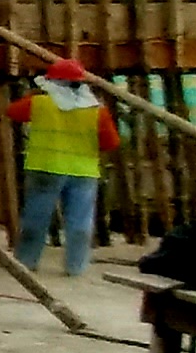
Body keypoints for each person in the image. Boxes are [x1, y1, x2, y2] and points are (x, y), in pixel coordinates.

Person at [8, 58, 121, 276]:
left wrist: (34, 94)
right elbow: (111, 143)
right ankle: (75, 267)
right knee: (80, 223)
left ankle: (25, 263)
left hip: (45, 168)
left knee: (35, 218)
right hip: (83, 172)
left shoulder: (39, 103)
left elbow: (12, 111)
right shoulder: (97, 110)